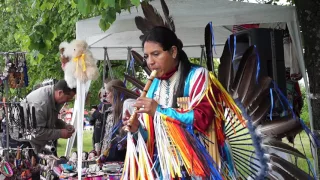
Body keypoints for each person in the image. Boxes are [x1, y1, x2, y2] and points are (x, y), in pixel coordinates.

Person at [122, 26, 216, 178]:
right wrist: (137, 128)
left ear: (173, 52)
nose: (150, 62)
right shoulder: (153, 85)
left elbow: (202, 119)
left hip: (196, 166)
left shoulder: (197, 76)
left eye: (156, 54)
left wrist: (159, 110)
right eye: (146, 56)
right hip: (163, 168)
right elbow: (152, 138)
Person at [18, 79, 76, 154]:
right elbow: (37, 132)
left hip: (34, 139)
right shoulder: (41, 104)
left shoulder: (54, 98)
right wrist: (60, 133)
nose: (67, 101)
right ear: (60, 93)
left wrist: (64, 125)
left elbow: (51, 118)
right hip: (24, 142)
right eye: (68, 98)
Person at [100, 79, 129, 162]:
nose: (106, 96)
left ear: (115, 93)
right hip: (110, 157)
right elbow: (107, 137)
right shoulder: (110, 112)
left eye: (108, 93)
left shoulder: (125, 111)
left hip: (121, 158)